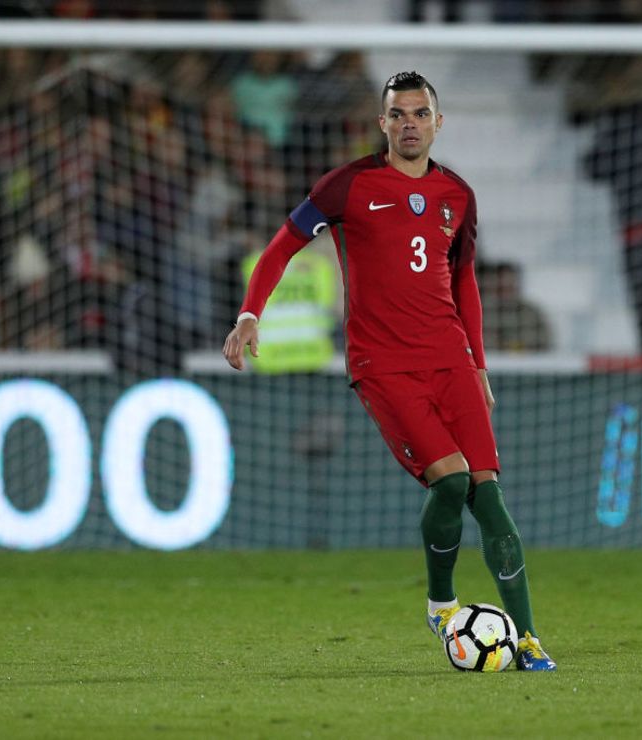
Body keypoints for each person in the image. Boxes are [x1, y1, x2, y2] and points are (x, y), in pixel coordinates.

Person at [223, 71, 556, 671]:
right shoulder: (347, 186)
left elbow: (464, 283)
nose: (409, 124)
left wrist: (477, 362)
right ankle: (441, 602)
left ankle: (529, 639)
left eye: (420, 114)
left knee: (491, 497)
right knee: (452, 482)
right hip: (384, 366)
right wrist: (251, 312)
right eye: (398, 114)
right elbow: (281, 246)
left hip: (450, 360)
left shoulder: (458, 194)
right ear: (382, 124)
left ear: (437, 122)